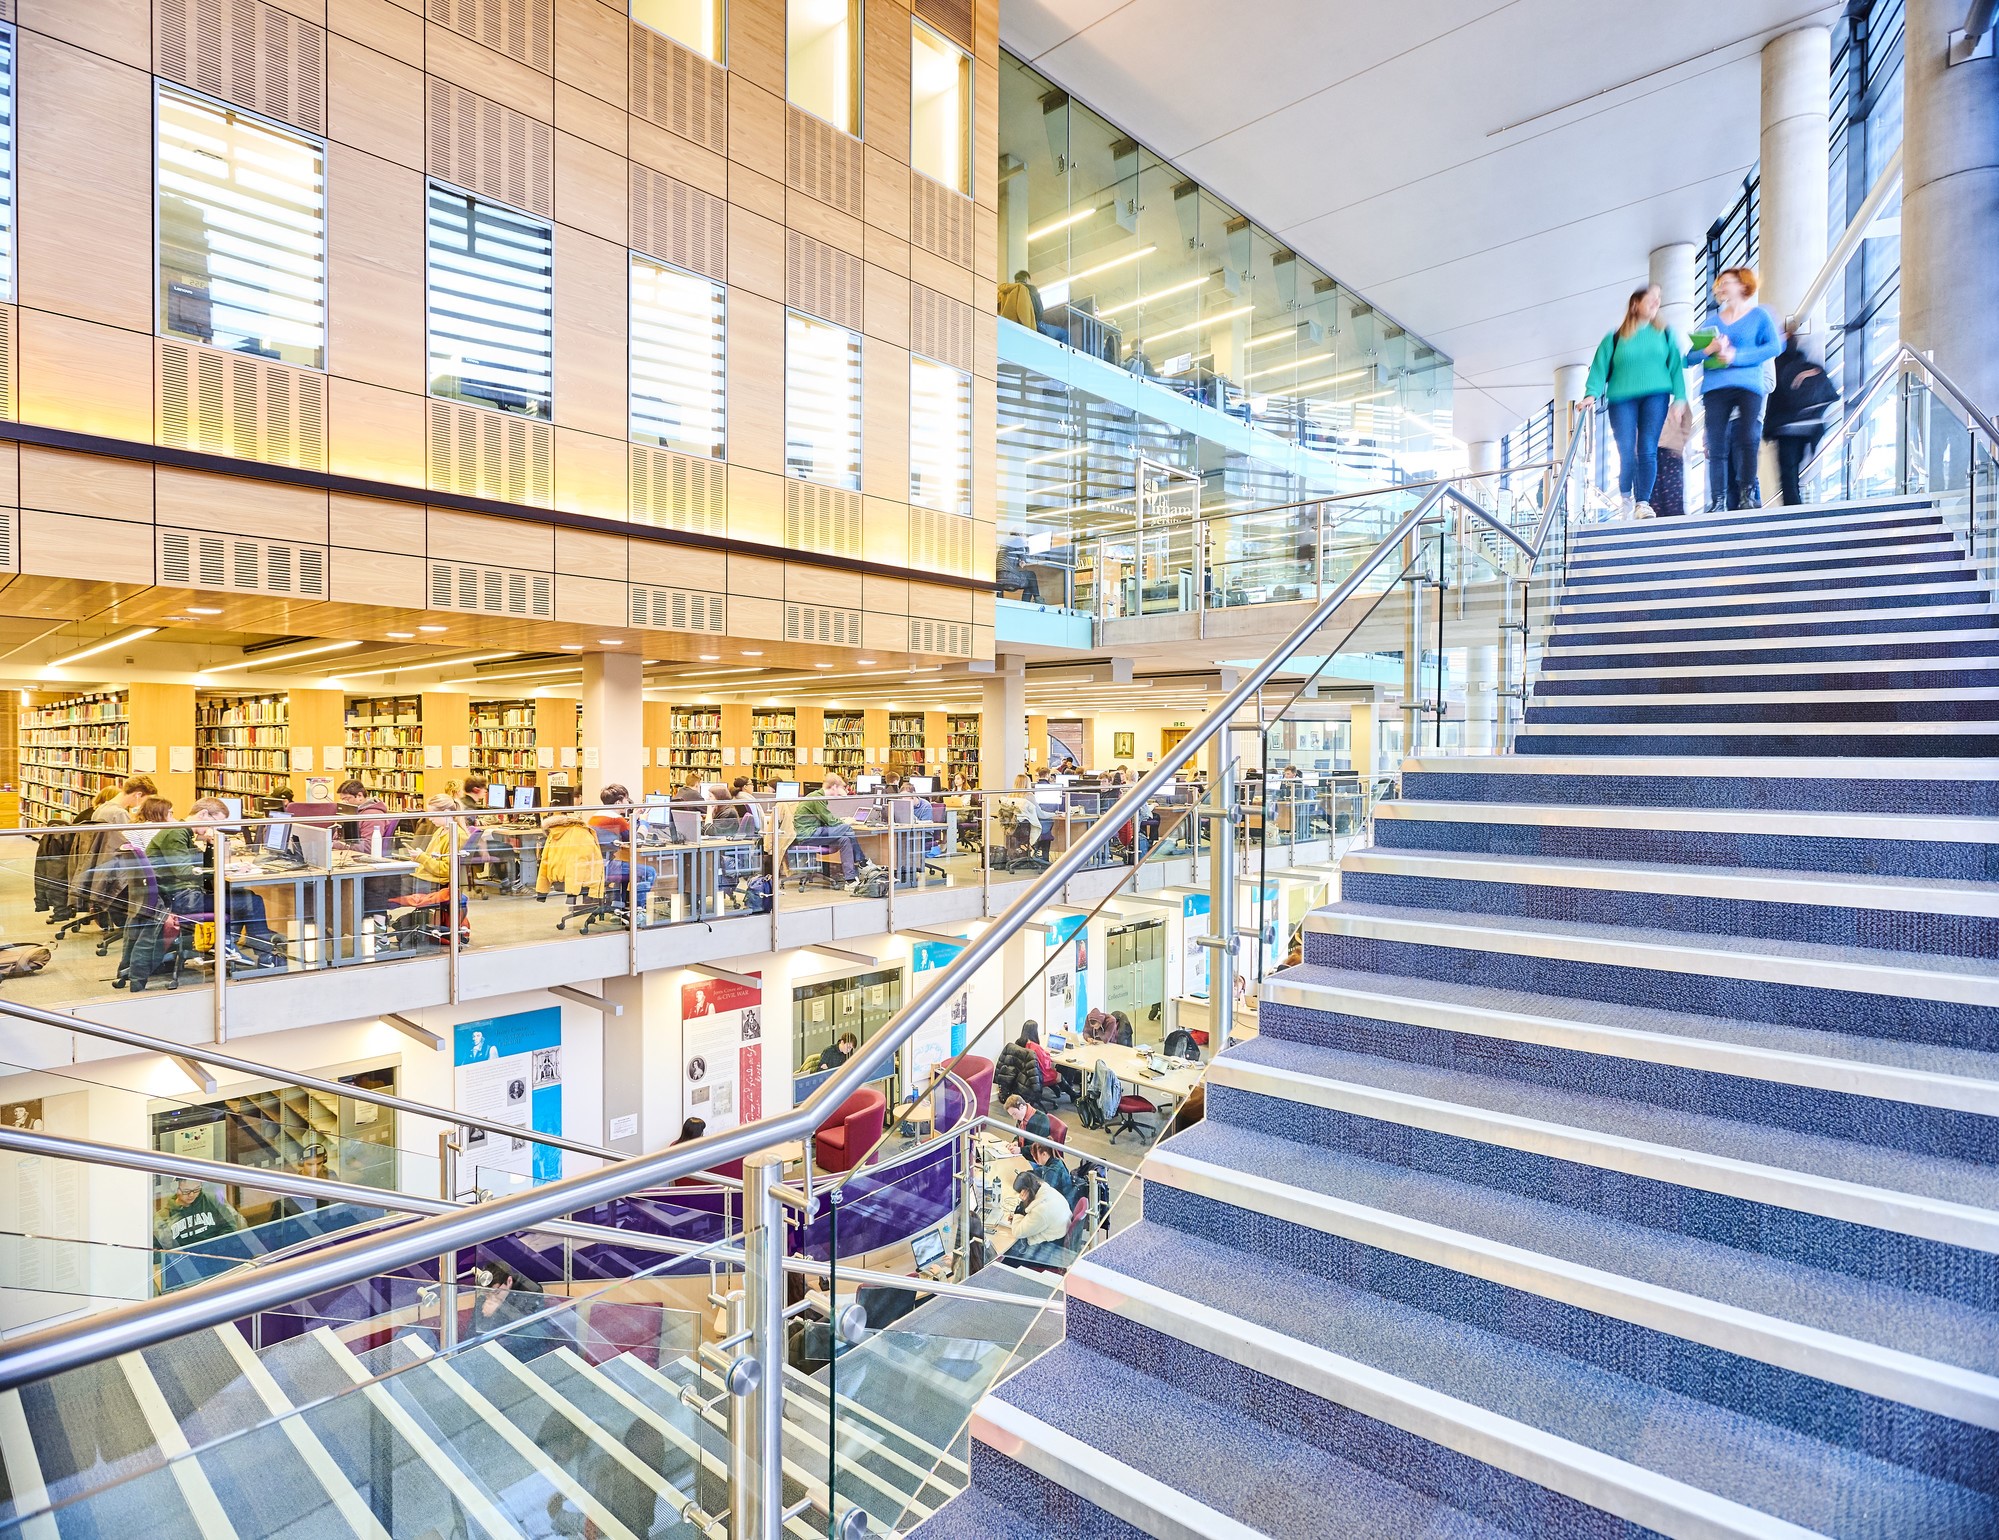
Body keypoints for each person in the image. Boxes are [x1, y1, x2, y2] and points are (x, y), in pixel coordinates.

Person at [1582, 285, 1686, 518]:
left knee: (1648, 449)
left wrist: (1680, 398)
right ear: (1635, 304)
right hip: (1622, 398)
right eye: (1651, 299)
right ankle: (1626, 496)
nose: (1656, 303)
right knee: (1627, 450)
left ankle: (1643, 502)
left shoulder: (1665, 334)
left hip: (1656, 396)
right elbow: (1599, 369)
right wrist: (1590, 394)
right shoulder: (1615, 337)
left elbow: (1676, 367)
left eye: (1659, 299)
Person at [1688, 267, 1782, 511]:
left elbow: (1774, 347)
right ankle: (1717, 501)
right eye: (1720, 283)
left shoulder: (1759, 316)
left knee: (1747, 439)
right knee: (1716, 444)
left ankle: (1746, 496)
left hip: (1748, 385)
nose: (1721, 286)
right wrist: (1709, 350)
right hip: (1715, 387)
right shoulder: (1711, 322)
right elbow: (1689, 358)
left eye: (1727, 282)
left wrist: (1735, 356)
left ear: (1742, 286)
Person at [1764, 328, 1839, 506]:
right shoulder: (1808, 365)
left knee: (1788, 471)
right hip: (1808, 427)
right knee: (1795, 467)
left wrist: (1767, 429)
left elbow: (1773, 401)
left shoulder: (1777, 366)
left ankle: (1793, 508)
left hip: (1786, 427)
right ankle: (1796, 505)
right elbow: (1829, 394)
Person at [792, 775, 866, 881]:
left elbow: (827, 820)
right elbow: (830, 821)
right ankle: (862, 862)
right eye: (841, 788)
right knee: (847, 828)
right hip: (808, 835)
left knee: (845, 840)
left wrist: (841, 822)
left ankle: (850, 879)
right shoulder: (817, 797)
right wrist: (845, 822)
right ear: (834, 787)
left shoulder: (820, 797)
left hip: (815, 833)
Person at [998, 1169, 1074, 1267]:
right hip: (1058, 1233)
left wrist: (1020, 1208)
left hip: (1049, 1248)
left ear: (1025, 1192)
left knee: (1004, 1257)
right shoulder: (1047, 1191)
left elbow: (1017, 1232)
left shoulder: (1040, 1211)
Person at [155, 1177, 245, 1250]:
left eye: (196, 1190)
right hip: (186, 1265)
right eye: (186, 1191)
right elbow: (155, 1253)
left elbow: (229, 1227)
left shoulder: (212, 1201)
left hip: (217, 1259)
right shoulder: (164, 1216)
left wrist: (217, 1248)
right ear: (176, 1189)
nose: (191, 1195)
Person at [1654, 398, 1694, 518]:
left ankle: (1676, 525)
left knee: (1673, 493)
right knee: (1655, 494)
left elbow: (1688, 421)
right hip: (1650, 451)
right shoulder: (1649, 397)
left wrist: (1681, 441)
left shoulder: (1679, 399)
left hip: (1672, 450)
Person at [995, 1021, 1048, 1107]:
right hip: (1034, 1077)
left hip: (1021, 1077)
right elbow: (1045, 1064)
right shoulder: (1035, 1047)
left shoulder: (1018, 1043)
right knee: (1059, 1075)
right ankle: (1072, 1095)